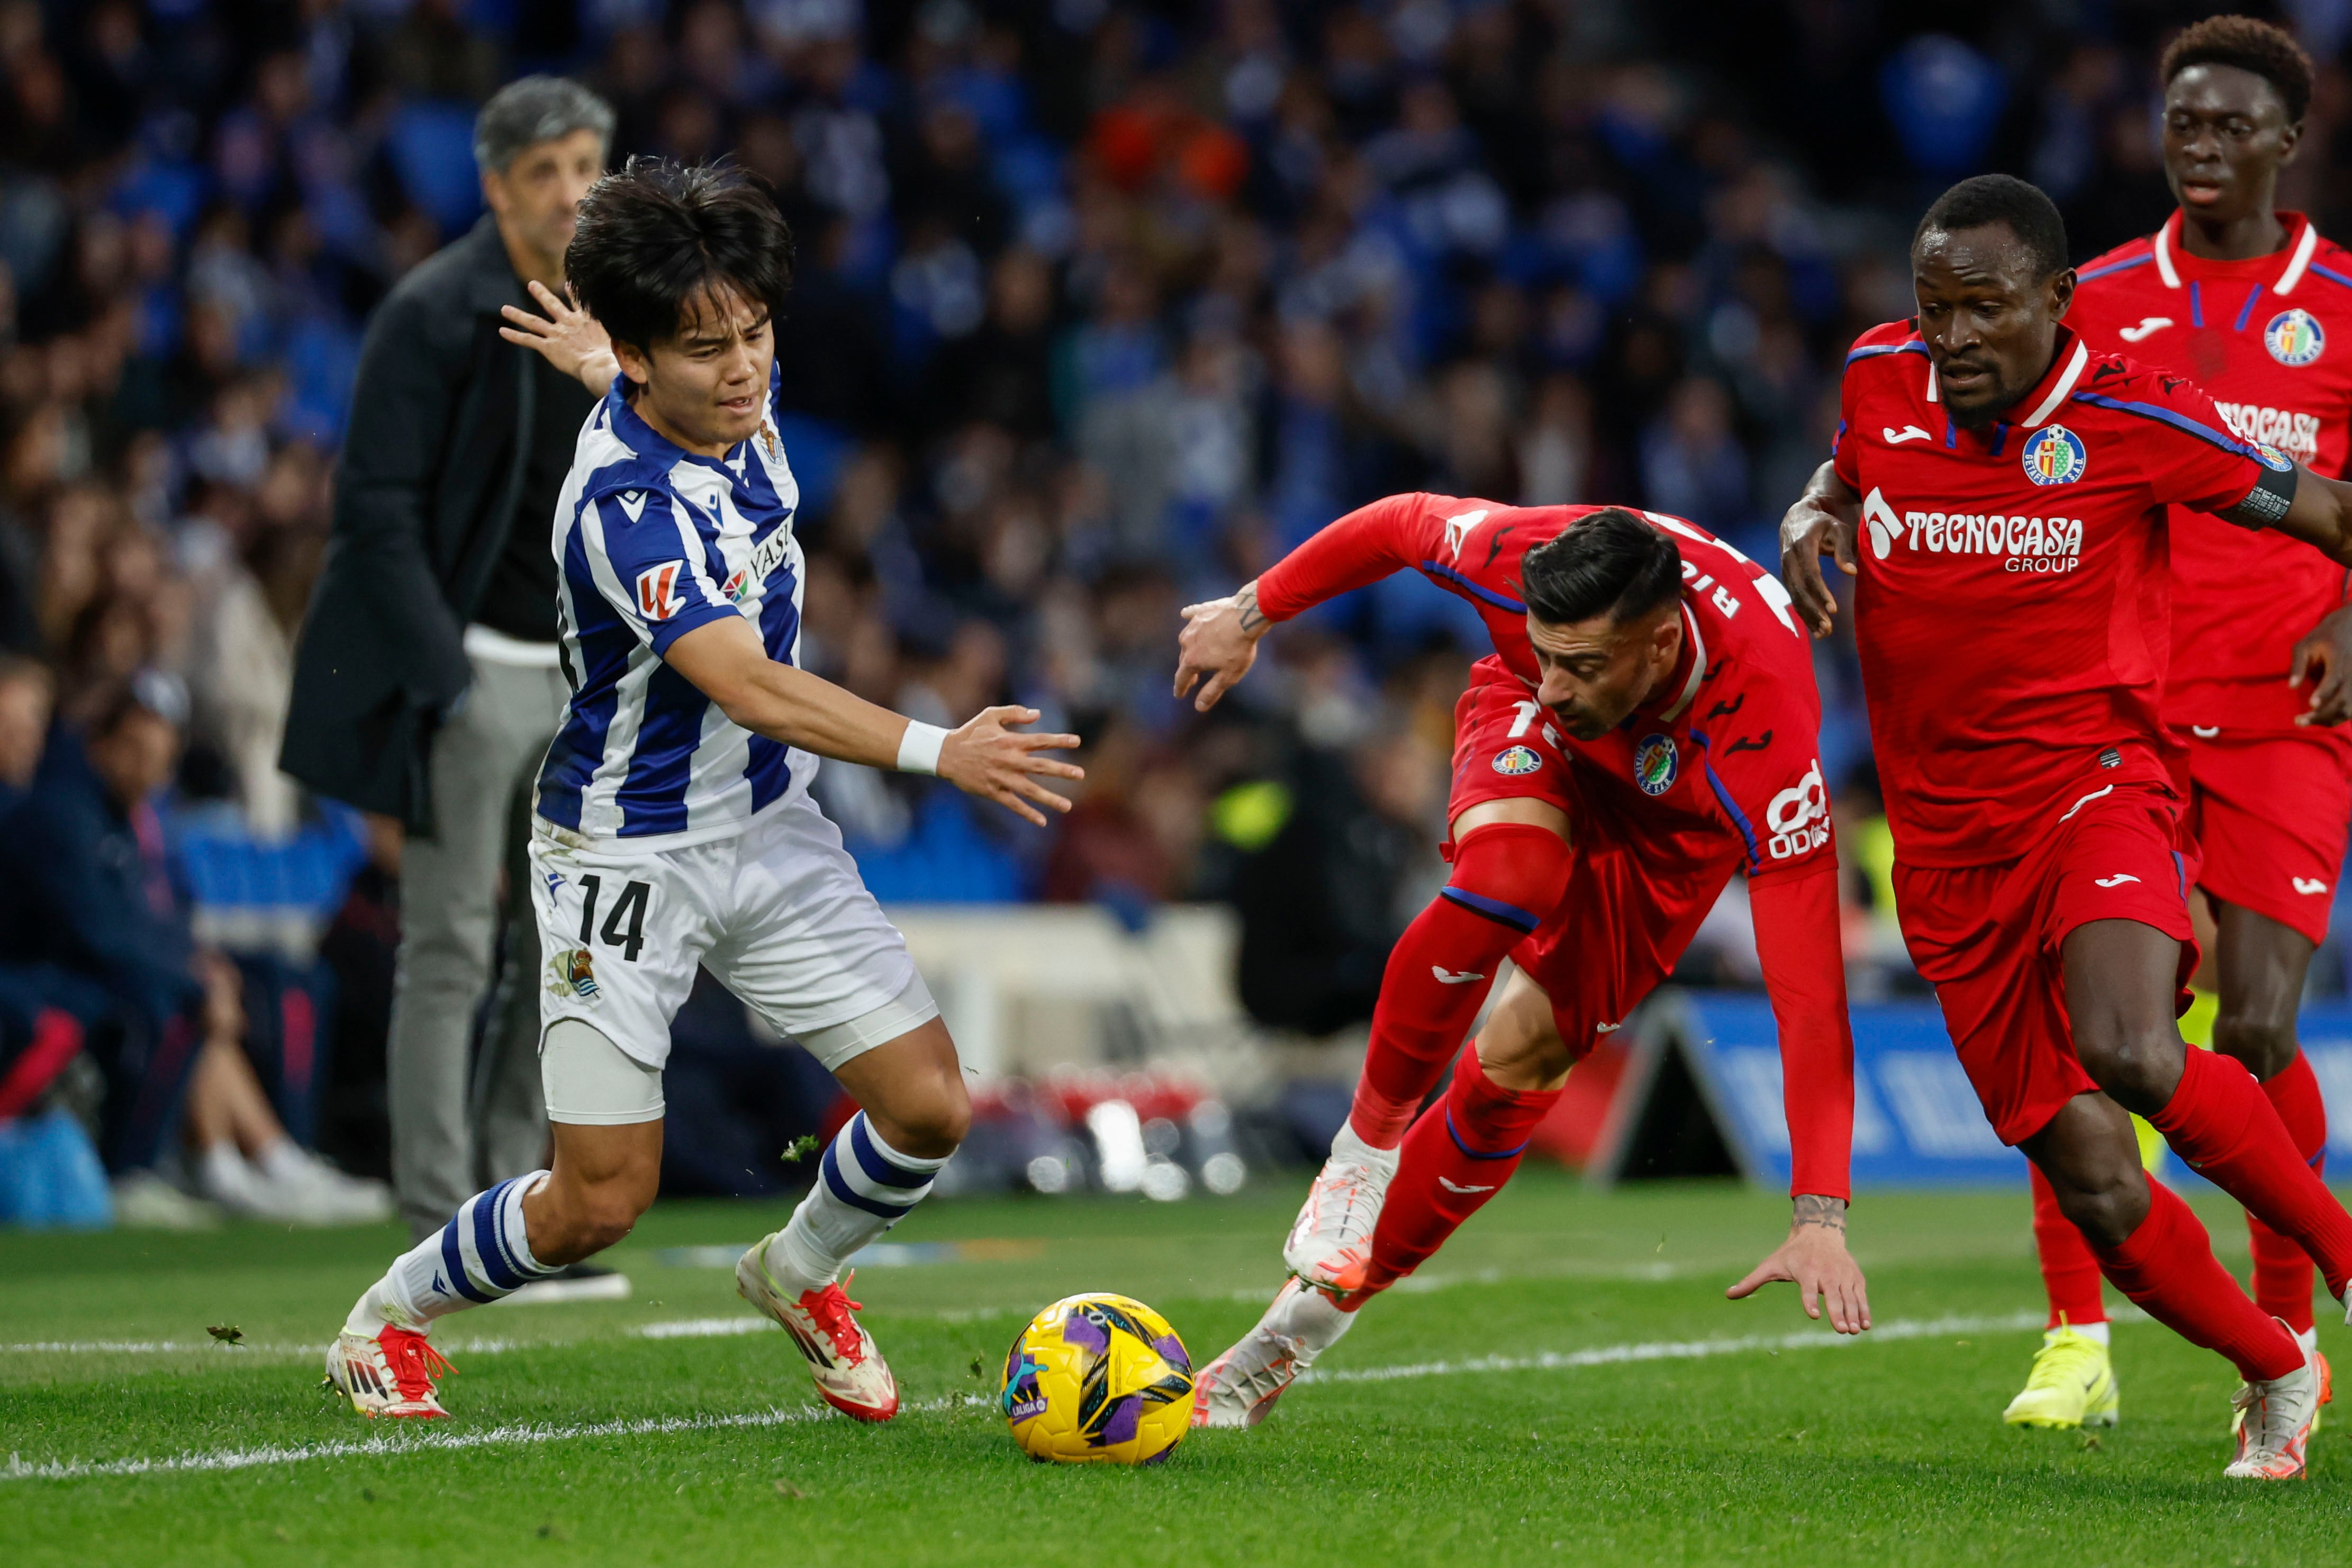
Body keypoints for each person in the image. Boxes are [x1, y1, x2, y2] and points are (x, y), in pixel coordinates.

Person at [324, 159, 1083, 1424]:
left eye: (754, 334)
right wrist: (934, 748)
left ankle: (797, 1272)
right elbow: (746, 683)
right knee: (598, 1202)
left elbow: (667, 383)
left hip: (766, 825)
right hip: (624, 852)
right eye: (703, 350)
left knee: (930, 1107)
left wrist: (594, 355)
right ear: (640, 360)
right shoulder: (624, 508)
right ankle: (387, 1317)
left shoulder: (725, 394)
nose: (741, 368)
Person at [1781, 172, 2352, 1480]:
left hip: (2095, 787)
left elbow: (2322, 509)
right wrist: (1813, 509)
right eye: (1934, 311)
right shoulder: (1881, 374)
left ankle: (2334, 1253)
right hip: (1938, 845)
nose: (1953, 340)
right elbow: (1849, 459)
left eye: (1982, 311)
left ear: (2055, 300)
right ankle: (2276, 1370)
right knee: (2094, 1180)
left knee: (2131, 1048)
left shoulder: (2133, 413)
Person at [1173, 500, 1866, 1427]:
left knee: (1522, 1063)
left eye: (1580, 662)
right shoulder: (1524, 577)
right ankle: (1359, 1160)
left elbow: (1812, 1004)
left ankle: (1293, 1333)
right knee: (1511, 873)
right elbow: (1401, 522)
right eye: (1545, 651)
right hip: (1542, 758)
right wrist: (1248, 611)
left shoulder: (1768, 746)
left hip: (1671, 841)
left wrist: (1820, 1217)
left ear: (1662, 648)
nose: (1555, 682)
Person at [2014, 15, 2352, 1431]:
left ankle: (2282, 1313)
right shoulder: (2089, 295)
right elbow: (2003, 447)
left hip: (2285, 703)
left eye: (2229, 127)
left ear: (2286, 139)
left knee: (2261, 1030)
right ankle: (2074, 1332)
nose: (2200, 147)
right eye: (2181, 125)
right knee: (2085, 1026)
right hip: (2127, 711)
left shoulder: (2340, 298)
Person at [279, 77, 618, 1248]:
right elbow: (372, 507)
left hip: (585, 681)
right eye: (545, 171)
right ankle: (433, 1216)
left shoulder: (623, 311)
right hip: (476, 669)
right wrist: (448, 678)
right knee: (449, 948)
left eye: (587, 165)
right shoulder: (432, 310)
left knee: (564, 956)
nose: (572, 191)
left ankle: (524, 1211)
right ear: (494, 186)